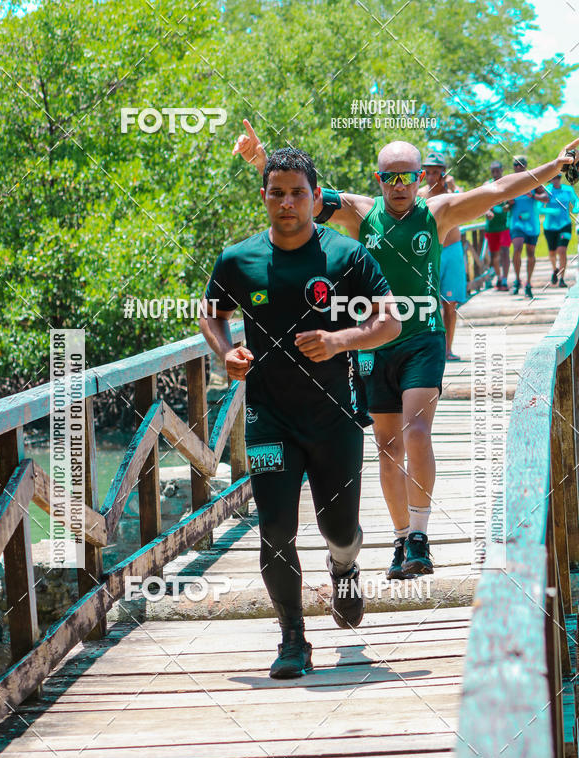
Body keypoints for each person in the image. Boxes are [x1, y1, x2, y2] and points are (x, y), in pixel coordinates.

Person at [234, 120, 579, 581]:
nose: (399, 185)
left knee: (417, 431)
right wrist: (260, 159)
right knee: (387, 446)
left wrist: (555, 166)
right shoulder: (360, 213)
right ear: (379, 180)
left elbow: (499, 189)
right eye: (390, 177)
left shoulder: (439, 213)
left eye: (408, 176)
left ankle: (420, 534)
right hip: (375, 346)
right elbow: (297, 190)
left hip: (423, 339)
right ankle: (400, 540)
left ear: (422, 178)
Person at [200, 147, 399, 679]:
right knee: (275, 529)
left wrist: (340, 341)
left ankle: (344, 567)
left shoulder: (346, 257)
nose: (286, 202)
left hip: (334, 418)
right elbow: (212, 314)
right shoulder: (237, 259)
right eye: (276, 192)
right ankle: (293, 636)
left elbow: (390, 322)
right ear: (263, 196)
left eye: (297, 192)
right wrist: (225, 352)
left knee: (339, 527)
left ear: (316, 197)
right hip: (269, 419)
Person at [418, 150, 467, 361]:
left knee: (450, 303)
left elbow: (467, 203)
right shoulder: (419, 195)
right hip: (430, 252)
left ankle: (448, 349)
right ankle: (430, 349)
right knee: (428, 302)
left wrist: (453, 187)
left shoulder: (452, 194)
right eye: (427, 172)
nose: (430, 177)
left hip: (452, 248)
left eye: (435, 172)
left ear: (443, 173)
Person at [508, 156, 548, 299]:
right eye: (515, 164)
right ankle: (517, 279)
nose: (518, 167)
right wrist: (509, 203)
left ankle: (528, 284)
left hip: (532, 224)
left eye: (521, 164)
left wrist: (533, 196)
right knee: (517, 248)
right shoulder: (510, 181)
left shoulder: (533, 180)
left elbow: (546, 197)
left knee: (531, 253)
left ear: (525, 165)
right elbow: (503, 203)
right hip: (517, 223)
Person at [539, 173, 578, 288]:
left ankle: (562, 278)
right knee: (552, 253)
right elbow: (539, 208)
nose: (556, 180)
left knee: (562, 250)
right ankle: (554, 269)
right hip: (550, 227)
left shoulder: (567, 190)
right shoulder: (546, 191)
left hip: (565, 225)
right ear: (550, 180)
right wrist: (551, 211)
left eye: (558, 177)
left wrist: (576, 208)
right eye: (553, 178)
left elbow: (576, 201)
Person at [484, 161, 512, 291]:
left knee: (505, 252)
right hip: (491, 227)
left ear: (501, 170)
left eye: (497, 170)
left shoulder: (508, 183)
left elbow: (513, 202)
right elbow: (480, 203)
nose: (495, 173)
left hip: (505, 226)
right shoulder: (487, 185)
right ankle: (499, 277)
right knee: (495, 255)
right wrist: (487, 211)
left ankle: (505, 279)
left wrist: (508, 206)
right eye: (493, 170)